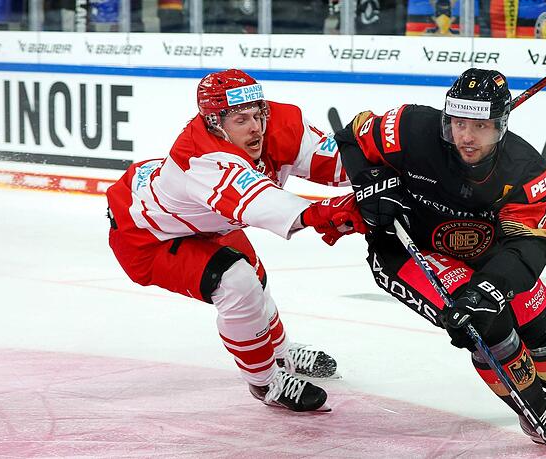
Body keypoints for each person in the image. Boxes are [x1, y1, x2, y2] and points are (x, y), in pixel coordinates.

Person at [334, 68, 546, 450]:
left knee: (534, 309)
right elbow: (351, 136)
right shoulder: (409, 128)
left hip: (485, 253)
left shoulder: (526, 169)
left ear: (500, 126)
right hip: (408, 249)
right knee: (487, 323)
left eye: (480, 126)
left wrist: (489, 288)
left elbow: (529, 245)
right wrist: (368, 180)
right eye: (459, 123)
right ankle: (537, 411)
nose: (467, 137)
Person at [106, 69, 365, 413]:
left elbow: (335, 162)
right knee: (237, 282)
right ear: (215, 123)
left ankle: (281, 352)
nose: (256, 127)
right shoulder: (201, 158)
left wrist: (388, 160)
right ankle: (266, 382)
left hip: (206, 222)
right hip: (146, 237)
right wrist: (329, 212)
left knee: (255, 278)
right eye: (241, 120)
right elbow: (264, 205)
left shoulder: (276, 124)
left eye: (258, 114)